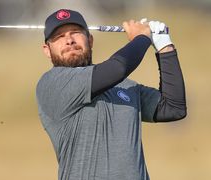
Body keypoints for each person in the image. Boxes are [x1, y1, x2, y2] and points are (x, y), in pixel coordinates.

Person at [36, 9, 187, 180]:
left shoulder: (123, 86)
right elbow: (117, 68)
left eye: (76, 33)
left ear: (90, 40)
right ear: (47, 50)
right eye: (59, 37)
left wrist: (164, 46)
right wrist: (142, 37)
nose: (69, 40)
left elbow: (173, 108)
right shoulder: (52, 84)